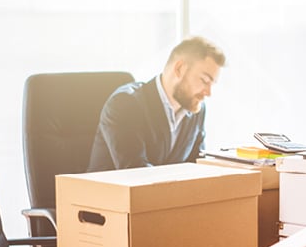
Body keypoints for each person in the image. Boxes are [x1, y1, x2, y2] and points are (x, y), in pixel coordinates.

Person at [87, 36, 226, 172]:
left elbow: (196, 165)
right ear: (179, 69)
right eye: (204, 80)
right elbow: (137, 173)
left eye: (212, 84)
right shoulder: (125, 104)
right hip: (112, 194)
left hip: (164, 194)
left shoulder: (196, 108)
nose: (208, 93)